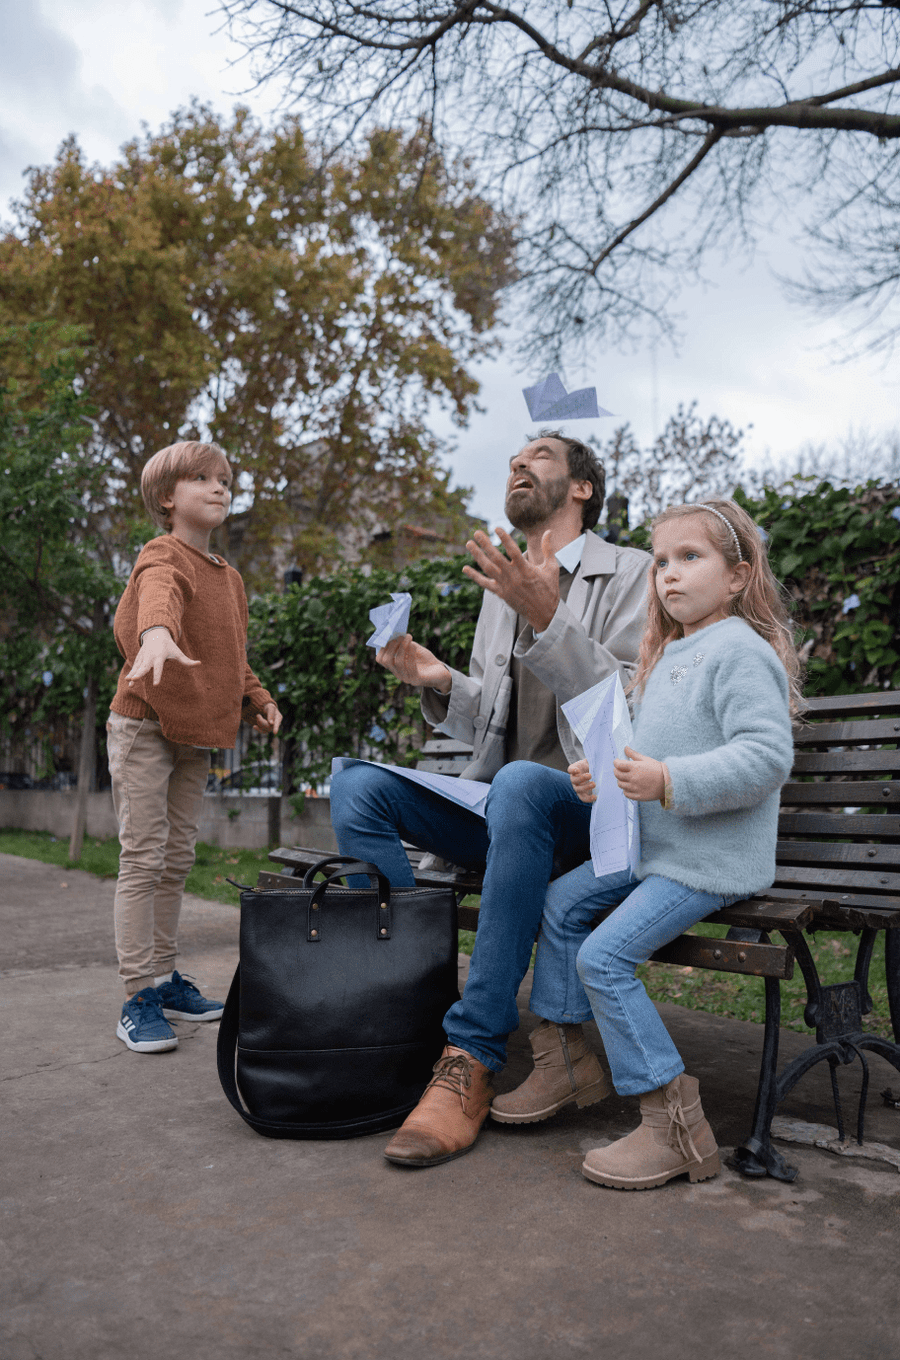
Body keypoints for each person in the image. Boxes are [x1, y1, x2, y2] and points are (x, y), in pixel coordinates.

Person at [329, 429, 651, 1166]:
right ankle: (418, 1012)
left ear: (581, 488)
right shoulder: (504, 586)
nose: (517, 465)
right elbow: (491, 719)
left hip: (594, 811)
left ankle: (471, 1054)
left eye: (537, 457)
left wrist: (549, 616)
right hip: (506, 809)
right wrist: (438, 680)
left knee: (520, 785)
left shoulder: (633, 574)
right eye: (512, 460)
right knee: (356, 785)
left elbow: (630, 709)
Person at [493, 498, 802, 1189]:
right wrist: (601, 775)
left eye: (691, 558)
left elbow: (765, 758)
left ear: (738, 577)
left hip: (709, 860)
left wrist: (667, 779)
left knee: (604, 957)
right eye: (660, 561)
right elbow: (640, 753)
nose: (668, 574)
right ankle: (568, 1063)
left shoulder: (741, 652)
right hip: (656, 849)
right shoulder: (666, 655)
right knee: (563, 904)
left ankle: (674, 1123)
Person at [108, 441, 282, 1054]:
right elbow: (157, 600)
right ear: (166, 497)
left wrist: (257, 698)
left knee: (178, 858)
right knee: (144, 856)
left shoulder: (229, 578)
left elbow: (232, 654)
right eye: (202, 478)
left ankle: (163, 976)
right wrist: (155, 635)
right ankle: (137, 995)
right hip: (145, 726)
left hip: (196, 735)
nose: (219, 488)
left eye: (226, 480)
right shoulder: (161, 555)